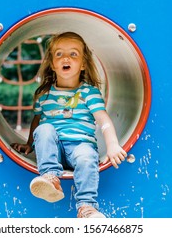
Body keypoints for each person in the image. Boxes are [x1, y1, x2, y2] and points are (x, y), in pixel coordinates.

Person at [11, 32, 127, 218]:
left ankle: (86, 208)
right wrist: (29, 144)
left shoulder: (89, 93)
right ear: (52, 64)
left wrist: (112, 144)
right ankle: (50, 177)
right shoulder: (44, 94)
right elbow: (37, 121)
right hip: (52, 148)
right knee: (45, 128)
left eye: (73, 54)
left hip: (79, 146)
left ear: (82, 64)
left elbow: (103, 120)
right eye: (59, 54)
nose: (66, 58)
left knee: (88, 157)